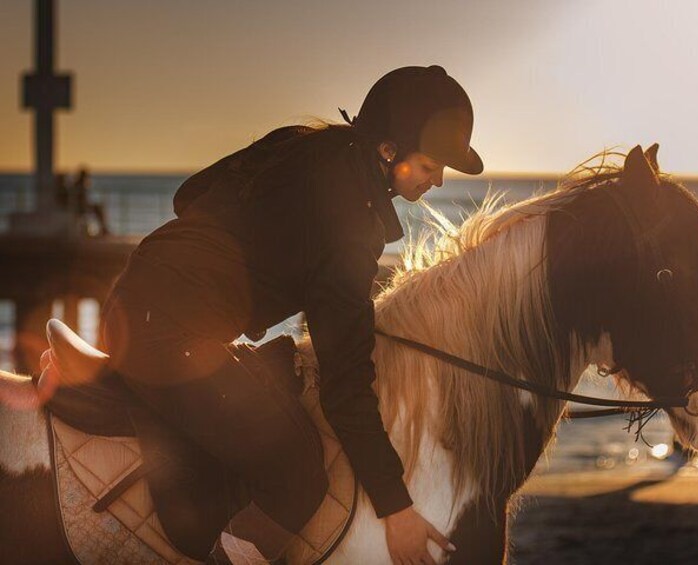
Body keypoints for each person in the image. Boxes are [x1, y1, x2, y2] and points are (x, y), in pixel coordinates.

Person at [65, 65, 482, 563]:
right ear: (388, 149)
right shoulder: (353, 224)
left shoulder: (299, 143)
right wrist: (397, 509)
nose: (439, 180)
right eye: (433, 164)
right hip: (168, 338)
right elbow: (346, 386)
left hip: (132, 301)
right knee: (298, 475)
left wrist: (252, 267)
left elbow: (189, 196)